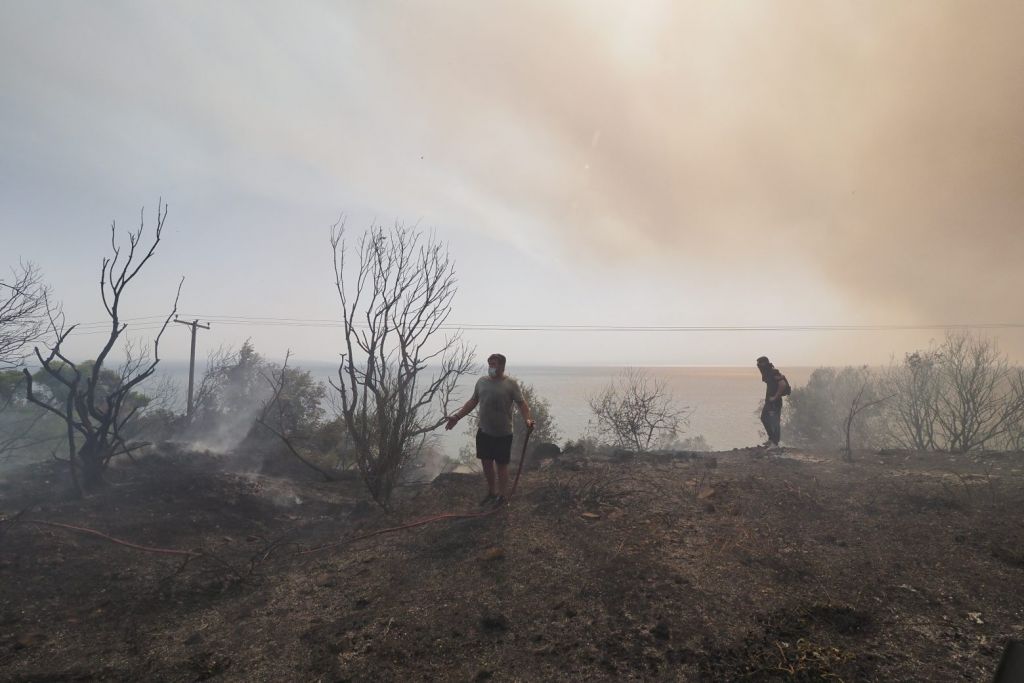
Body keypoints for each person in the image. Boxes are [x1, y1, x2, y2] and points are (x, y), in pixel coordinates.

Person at [446, 353, 534, 507]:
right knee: (486, 464)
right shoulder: (481, 382)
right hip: (484, 431)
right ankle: (492, 493)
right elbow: (473, 401)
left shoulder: (511, 384)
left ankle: (502, 496)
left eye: (494, 364)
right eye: (489, 364)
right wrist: (457, 417)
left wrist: (527, 419)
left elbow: (522, 404)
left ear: (502, 366)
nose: (491, 367)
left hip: (504, 433)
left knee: (501, 465)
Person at [756, 356, 789, 449]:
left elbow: (782, 384)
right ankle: (771, 439)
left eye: (759, 363)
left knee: (775, 422)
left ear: (764, 363)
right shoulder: (767, 373)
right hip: (769, 402)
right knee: (764, 418)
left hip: (775, 402)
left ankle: (775, 443)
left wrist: (775, 397)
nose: (758, 366)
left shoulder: (774, 372)